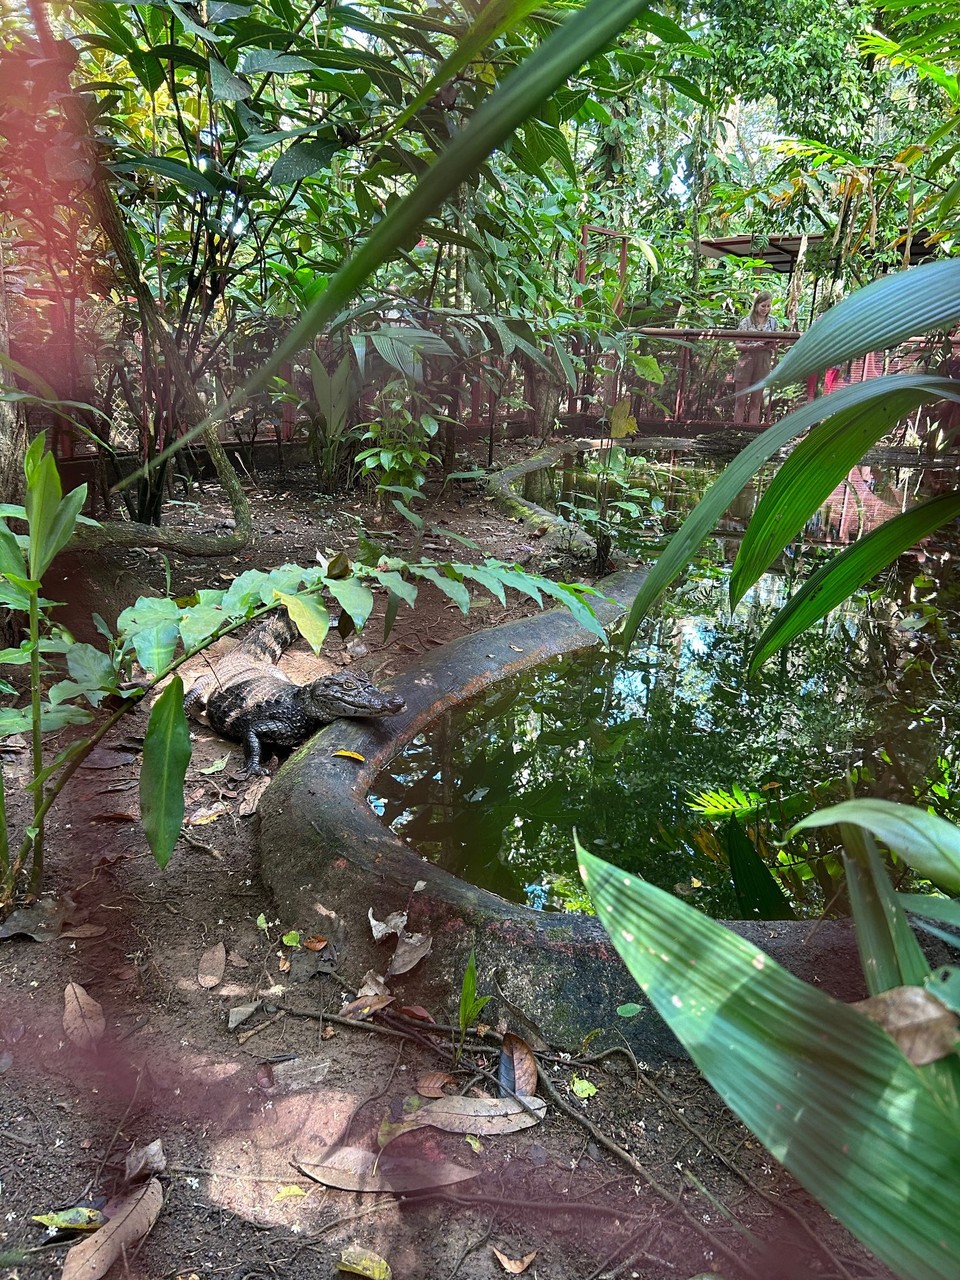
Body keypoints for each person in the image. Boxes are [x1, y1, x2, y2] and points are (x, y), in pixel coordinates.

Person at [733, 290, 778, 425]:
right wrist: (752, 346)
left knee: (756, 400)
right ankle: (736, 429)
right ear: (757, 304)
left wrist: (769, 344)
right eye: (763, 306)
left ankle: (751, 431)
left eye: (768, 306)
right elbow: (738, 345)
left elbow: (776, 343)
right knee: (740, 400)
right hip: (746, 360)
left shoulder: (773, 322)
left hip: (764, 360)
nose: (765, 309)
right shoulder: (746, 322)